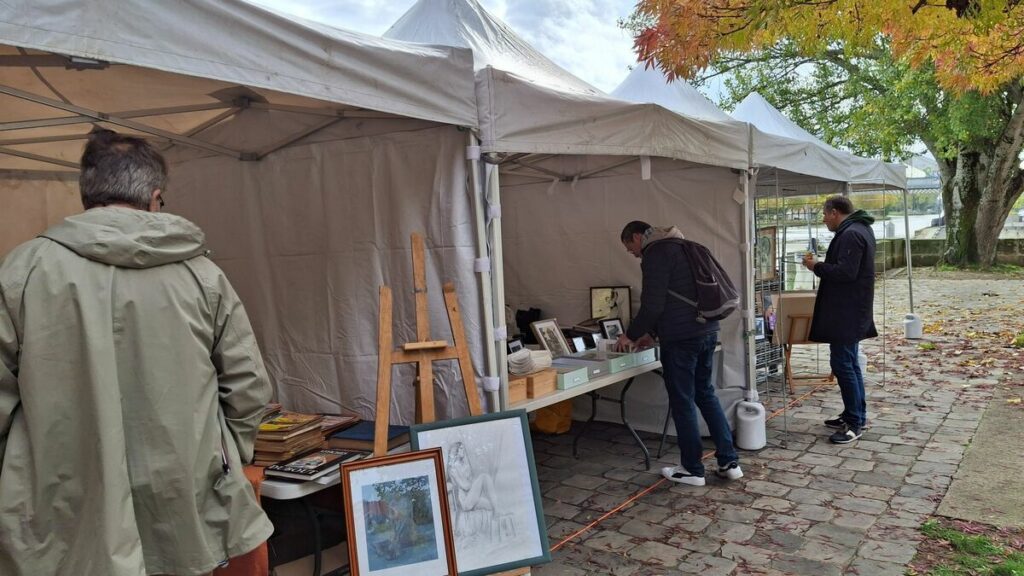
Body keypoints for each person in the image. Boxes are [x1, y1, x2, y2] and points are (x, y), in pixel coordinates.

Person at [0, 129, 273, 576]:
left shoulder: (24, 270)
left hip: (60, 501)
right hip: (183, 495)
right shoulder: (201, 276)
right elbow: (247, 388)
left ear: (86, 194)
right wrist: (220, 458)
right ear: (155, 196)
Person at [616, 221, 742, 486]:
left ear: (638, 237)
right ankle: (729, 462)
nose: (634, 254)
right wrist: (651, 333)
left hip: (681, 338)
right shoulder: (687, 246)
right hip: (707, 330)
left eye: (631, 248)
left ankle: (692, 469)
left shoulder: (656, 254)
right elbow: (676, 297)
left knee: (683, 400)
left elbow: (653, 303)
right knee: (705, 394)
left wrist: (631, 334)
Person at [802, 195, 878, 444]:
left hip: (848, 311)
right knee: (849, 363)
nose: (824, 220)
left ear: (834, 212)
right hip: (852, 310)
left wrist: (816, 266)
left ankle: (855, 423)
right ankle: (854, 414)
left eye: (824, 215)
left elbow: (846, 272)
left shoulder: (851, 234)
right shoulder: (859, 229)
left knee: (844, 364)